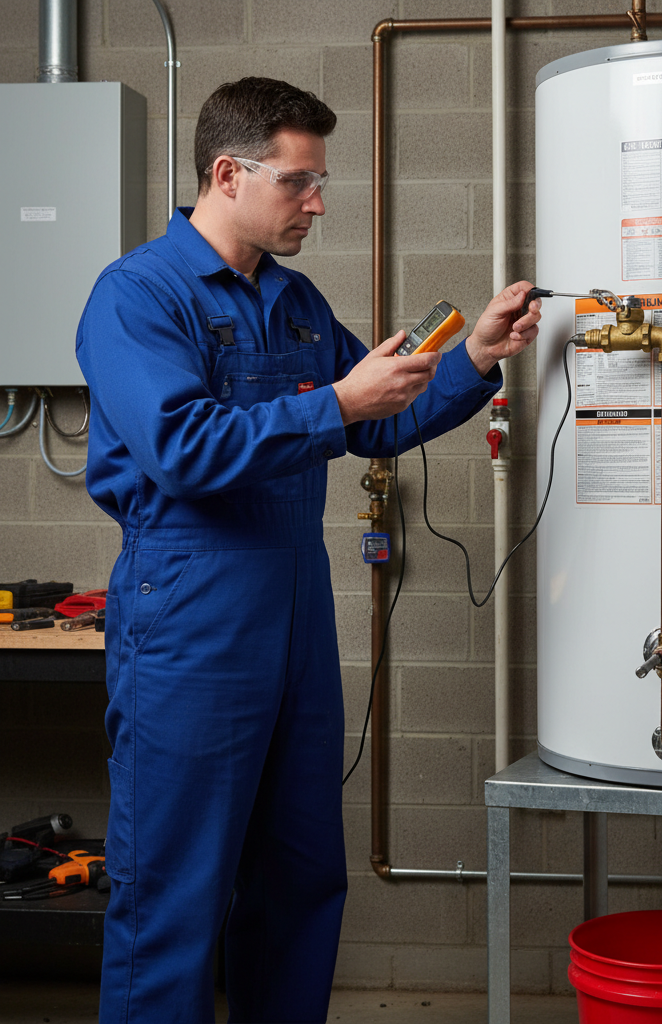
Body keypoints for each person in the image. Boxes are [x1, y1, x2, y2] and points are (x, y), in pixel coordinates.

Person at [75, 77, 541, 1024]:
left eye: (319, 181)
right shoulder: (137, 297)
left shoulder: (292, 302)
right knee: (173, 895)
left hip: (294, 622)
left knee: (298, 880)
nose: (318, 204)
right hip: (189, 625)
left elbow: (373, 422)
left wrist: (476, 360)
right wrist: (337, 403)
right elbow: (182, 448)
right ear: (226, 173)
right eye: (299, 182)